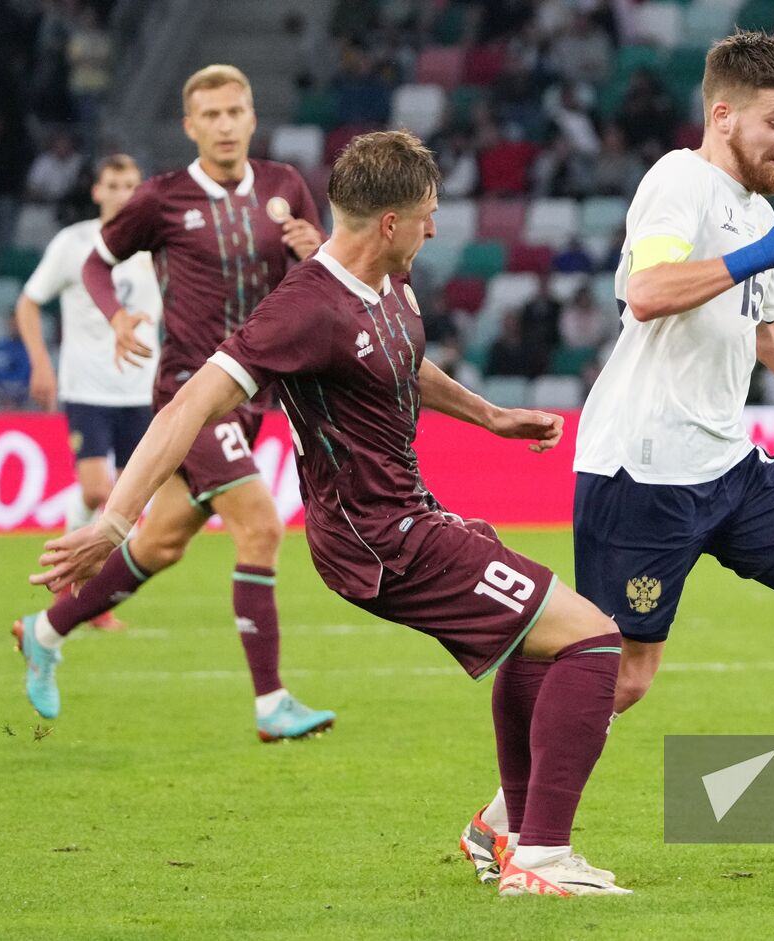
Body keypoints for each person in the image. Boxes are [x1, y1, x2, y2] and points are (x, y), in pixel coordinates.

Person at [31, 130, 630, 897]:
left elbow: (406, 358)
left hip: (412, 518)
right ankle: (542, 859)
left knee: (539, 637)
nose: (436, 228)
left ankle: (505, 832)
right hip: (378, 542)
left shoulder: (389, 283)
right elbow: (189, 402)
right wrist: (114, 522)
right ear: (390, 221)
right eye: (428, 214)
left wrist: (489, 417)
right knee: (593, 640)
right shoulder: (304, 309)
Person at [460, 30, 774, 871]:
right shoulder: (678, 181)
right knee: (622, 674)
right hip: (642, 468)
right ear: (723, 114)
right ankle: (501, 820)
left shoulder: (751, 207)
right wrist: (764, 248)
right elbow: (646, 292)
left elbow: (769, 328)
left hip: (725, 462)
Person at [11, 65, 334, 742]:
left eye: (234, 111)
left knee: (159, 542)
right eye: (209, 115)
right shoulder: (162, 198)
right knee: (262, 527)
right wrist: (117, 316)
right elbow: (95, 262)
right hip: (193, 392)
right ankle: (270, 702)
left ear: (251, 117)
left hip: (252, 395)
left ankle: (44, 630)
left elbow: (322, 285)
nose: (223, 124)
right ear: (190, 126)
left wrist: (317, 252)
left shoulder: (285, 188)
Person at [14, 153, 161, 631]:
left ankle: (89, 595)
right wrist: (41, 362)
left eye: (131, 185)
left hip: (143, 390)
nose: (122, 193)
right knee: (99, 490)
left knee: (128, 502)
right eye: (113, 184)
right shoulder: (73, 243)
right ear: (97, 191)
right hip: (88, 387)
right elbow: (29, 303)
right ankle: (69, 578)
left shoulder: (156, 248)